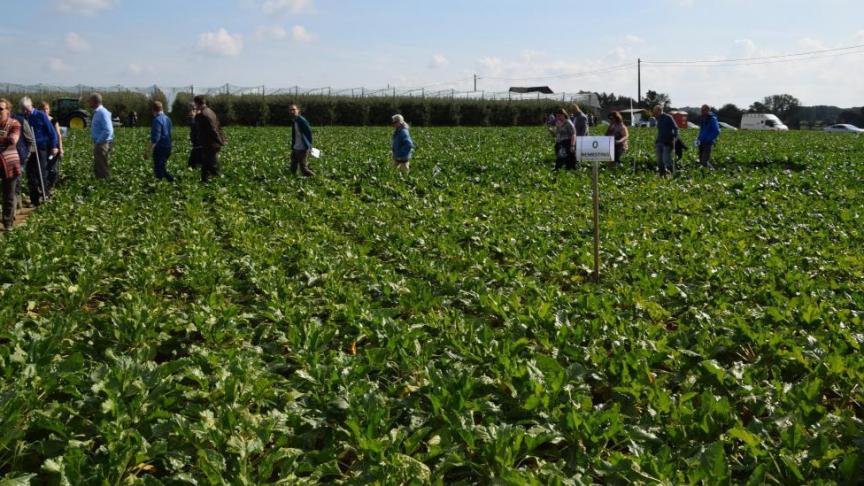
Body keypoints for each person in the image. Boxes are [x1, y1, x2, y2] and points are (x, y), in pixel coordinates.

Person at [20, 97, 58, 202]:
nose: (24, 111)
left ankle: (45, 195)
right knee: (30, 173)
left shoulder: (40, 115)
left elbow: (52, 132)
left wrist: (54, 146)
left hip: (41, 147)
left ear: (30, 106)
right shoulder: (23, 117)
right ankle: (34, 199)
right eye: (22, 109)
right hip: (28, 148)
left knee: (41, 172)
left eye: (26, 109)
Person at [0, 98, 23, 231]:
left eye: (1, 109)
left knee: (8, 194)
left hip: (9, 163)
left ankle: (7, 223)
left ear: (8, 111)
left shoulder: (14, 123)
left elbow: (12, 140)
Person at [193, 95, 225, 182]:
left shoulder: (203, 114)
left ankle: (222, 182)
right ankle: (204, 182)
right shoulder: (210, 111)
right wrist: (222, 139)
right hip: (211, 144)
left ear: (197, 103)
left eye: (195, 104)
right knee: (206, 166)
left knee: (213, 166)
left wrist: (220, 141)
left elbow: (213, 130)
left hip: (209, 144)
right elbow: (218, 126)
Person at [143, 101, 174, 182]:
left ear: (153, 110)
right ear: (162, 108)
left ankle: (164, 183)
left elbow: (155, 139)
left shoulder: (157, 120)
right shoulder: (168, 118)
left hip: (160, 148)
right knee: (161, 167)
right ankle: (171, 181)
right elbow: (170, 134)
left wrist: (148, 151)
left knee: (158, 169)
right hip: (168, 146)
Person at [11, 113, 36, 207]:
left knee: (15, 181)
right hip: (4, 157)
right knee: (10, 183)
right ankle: (16, 204)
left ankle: (14, 207)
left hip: (19, 155)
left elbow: (30, 140)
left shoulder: (20, 121)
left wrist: (27, 155)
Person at [88, 93, 114, 179]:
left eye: (90, 101)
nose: (89, 103)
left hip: (102, 144)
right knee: (99, 166)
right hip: (101, 143)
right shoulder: (98, 112)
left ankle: (104, 186)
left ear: (95, 102)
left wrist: (99, 142)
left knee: (102, 168)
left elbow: (108, 130)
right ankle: (100, 184)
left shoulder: (102, 112)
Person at [40, 101, 64, 190]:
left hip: (54, 147)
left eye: (46, 109)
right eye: (43, 109)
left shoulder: (53, 120)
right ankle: (44, 186)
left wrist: (60, 148)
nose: (45, 111)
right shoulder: (39, 121)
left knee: (53, 168)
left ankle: (52, 185)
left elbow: (58, 135)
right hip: (43, 147)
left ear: (49, 110)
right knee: (44, 167)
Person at [289, 104, 314, 177]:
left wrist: (309, 146)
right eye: (290, 110)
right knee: (293, 166)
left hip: (303, 148)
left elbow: (309, 133)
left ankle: (315, 177)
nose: (292, 111)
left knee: (303, 169)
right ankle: (291, 180)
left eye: (293, 109)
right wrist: (293, 146)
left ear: (298, 110)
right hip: (296, 147)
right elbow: (295, 135)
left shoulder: (301, 120)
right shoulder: (294, 121)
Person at [653, 105, 678, 176]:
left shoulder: (668, 117)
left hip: (667, 142)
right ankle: (662, 175)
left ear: (660, 111)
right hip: (659, 142)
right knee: (659, 161)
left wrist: (675, 138)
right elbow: (660, 130)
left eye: (656, 112)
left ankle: (674, 174)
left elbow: (676, 128)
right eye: (654, 112)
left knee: (666, 160)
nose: (655, 114)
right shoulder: (658, 119)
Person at [696, 104, 720, 169]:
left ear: (708, 110)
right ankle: (707, 173)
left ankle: (712, 173)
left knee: (704, 161)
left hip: (708, 143)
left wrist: (709, 139)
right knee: (701, 161)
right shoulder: (703, 118)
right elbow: (701, 130)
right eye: (701, 110)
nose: (702, 111)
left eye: (704, 110)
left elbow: (717, 131)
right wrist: (698, 139)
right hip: (701, 142)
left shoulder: (712, 119)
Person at [187, 103, 201, 169]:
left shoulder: (199, 118)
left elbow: (194, 126)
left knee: (191, 166)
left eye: (193, 109)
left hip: (199, 147)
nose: (190, 111)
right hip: (197, 147)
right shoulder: (196, 118)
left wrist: (192, 117)